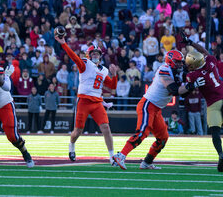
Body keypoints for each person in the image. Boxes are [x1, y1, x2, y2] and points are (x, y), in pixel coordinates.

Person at [113, 49, 205, 170]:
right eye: (177, 62)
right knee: (142, 132)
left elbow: (183, 94)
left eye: (181, 62)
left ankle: (147, 162)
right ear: (171, 62)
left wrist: (193, 84)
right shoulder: (164, 69)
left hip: (157, 109)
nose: (180, 65)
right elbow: (173, 90)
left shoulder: (176, 72)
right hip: (148, 104)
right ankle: (121, 155)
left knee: (163, 137)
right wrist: (192, 85)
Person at [55, 33, 118, 166]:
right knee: (78, 131)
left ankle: (112, 157)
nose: (95, 55)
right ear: (88, 55)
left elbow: (112, 86)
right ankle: (71, 144)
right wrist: (63, 44)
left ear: (100, 55)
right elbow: (74, 57)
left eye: (97, 53)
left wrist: (115, 75)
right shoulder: (85, 64)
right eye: (93, 53)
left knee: (106, 127)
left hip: (97, 102)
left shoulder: (104, 70)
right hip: (83, 101)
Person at [182, 32, 223, 172]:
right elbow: (203, 51)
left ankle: (221, 154)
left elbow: (183, 89)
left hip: (213, 104)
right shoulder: (211, 60)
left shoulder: (192, 75)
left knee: (215, 132)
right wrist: (191, 43)